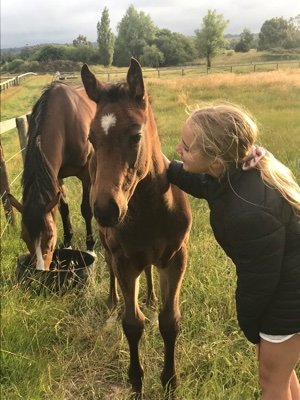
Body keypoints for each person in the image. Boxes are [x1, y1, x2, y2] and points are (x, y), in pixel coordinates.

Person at [163, 103, 300, 400]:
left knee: (271, 381)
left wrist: (252, 326)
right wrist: (169, 168)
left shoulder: (248, 212)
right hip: (287, 287)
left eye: (186, 147)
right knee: (281, 373)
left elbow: (259, 281)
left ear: (214, 160)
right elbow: (207, 186)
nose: (177, 148)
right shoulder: (239, 169)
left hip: (289, 299)